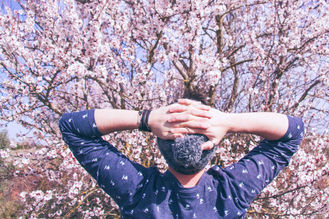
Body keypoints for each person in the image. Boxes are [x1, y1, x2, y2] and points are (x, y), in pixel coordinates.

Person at [59, 91, 304, 218]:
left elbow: (72, 126)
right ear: (213, 143)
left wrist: (145, 119)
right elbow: (293, 131)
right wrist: (227, 122)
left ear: (159, 141)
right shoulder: (232, 192)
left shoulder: (137, 190)